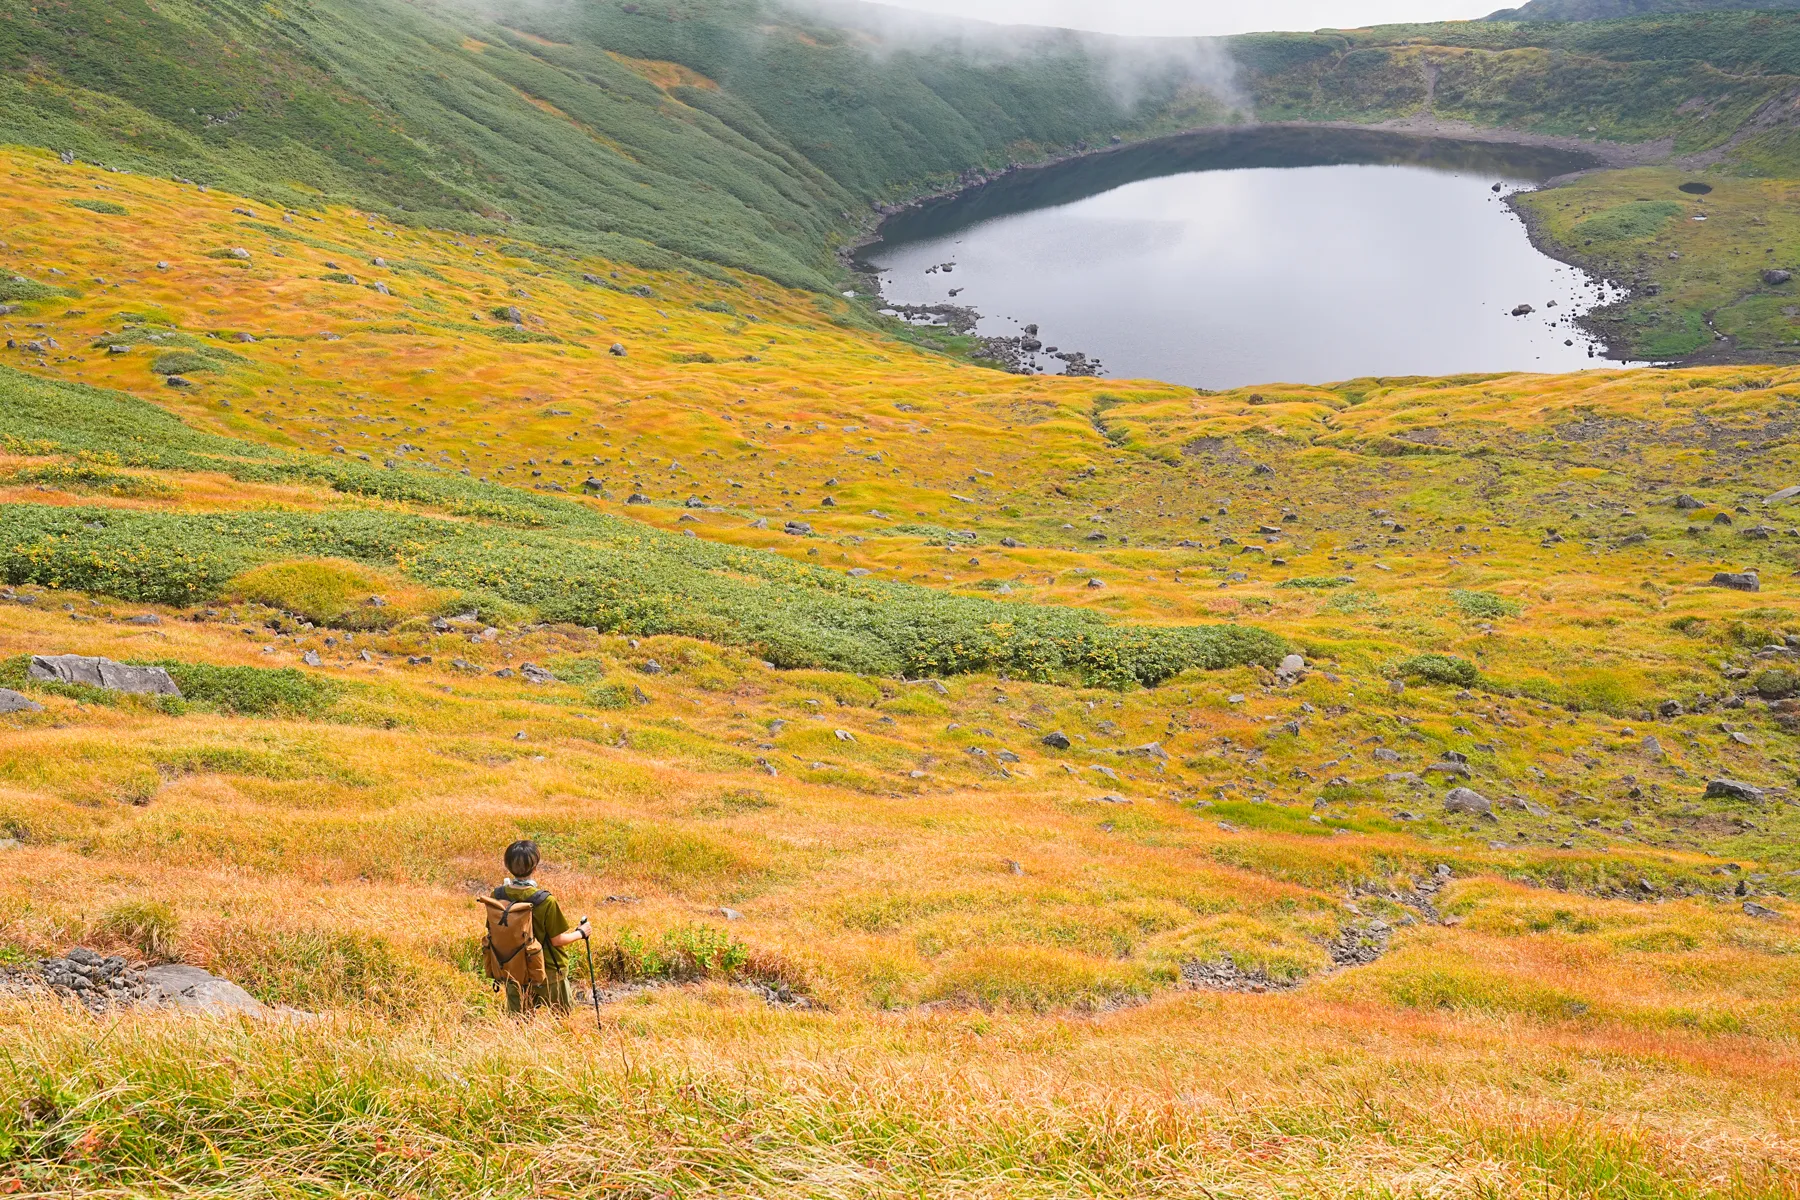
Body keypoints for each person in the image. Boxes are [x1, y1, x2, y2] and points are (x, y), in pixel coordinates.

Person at [494, 839, 589, 1014]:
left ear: (507, 865)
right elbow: (557, 940)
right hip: (548, 970)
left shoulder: (498, 895)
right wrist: (581, 933)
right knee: (563, 1020)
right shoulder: (545, 901)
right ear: (535, 867)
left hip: (513, 969)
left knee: (520, 1023)